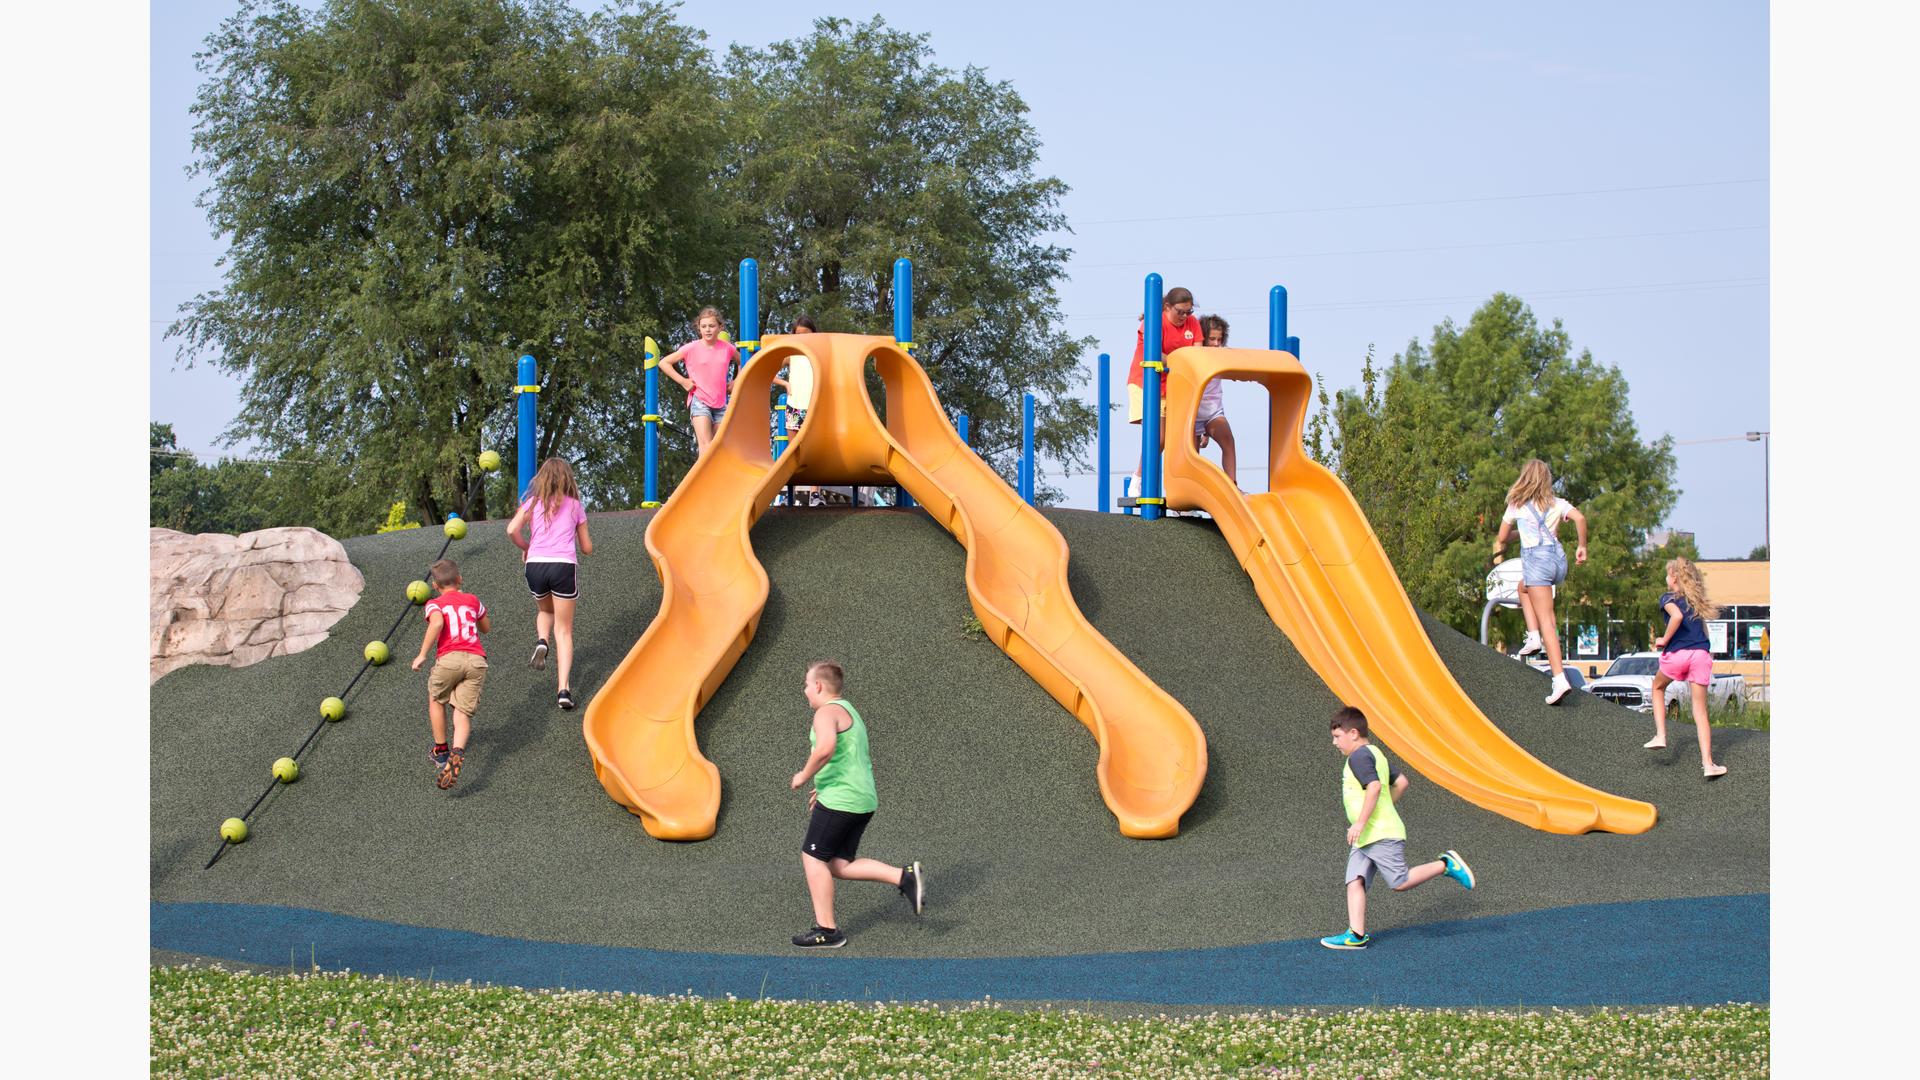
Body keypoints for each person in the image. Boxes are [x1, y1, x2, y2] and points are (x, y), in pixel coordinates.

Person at [788, 660, 925, 948]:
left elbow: (826, 749)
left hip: (843, 798)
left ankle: (827, 930)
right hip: (861, 799)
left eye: (806, 685)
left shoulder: (826, 713)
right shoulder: (850, 711)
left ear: (818, 685)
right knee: (838, 863)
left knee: (812, 858)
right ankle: (904, 877)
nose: (804, 691)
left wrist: (804, 775)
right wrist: (821, 786)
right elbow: (847, 759)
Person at [1320, 706, 1476, 950]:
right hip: (1368, 836)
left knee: (1399, 881)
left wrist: (1361, 821)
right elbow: (1401, 782)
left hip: (1378, 834)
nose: (1334, 742)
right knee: (1355, 879)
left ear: (1353, 733)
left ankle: (1445, 864)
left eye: (1337, 736)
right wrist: (1380, 809)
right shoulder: (1375, 754)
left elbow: (1374, 787)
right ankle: (1356, 934)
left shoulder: (1359, 756)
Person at [1491, 459, 1589, 704]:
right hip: (1557, 561)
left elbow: (1503, 537)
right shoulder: (1558, 503)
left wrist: (1516, 535)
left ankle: (1559, 678)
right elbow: (1580, 519)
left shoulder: (1517, 503)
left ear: (1525, 477)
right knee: (1522, 587)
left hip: (1536, 560)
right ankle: (1533, 636)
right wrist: (1581, 546)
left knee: (1548, 619)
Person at [505, 457, 593, 710]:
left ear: (541, 478)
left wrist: (527, 546)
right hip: (563, 566)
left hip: (535, 564)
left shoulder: (532, 502)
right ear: (568, 479)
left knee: (545, 611)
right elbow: (586, 548)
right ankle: (563, 690)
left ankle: (542, 640)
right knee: (564, 630)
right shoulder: (575, 505)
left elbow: (512, 529)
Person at [1644, 557, 1729, 778]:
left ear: (1673, 578)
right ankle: (1708, 765)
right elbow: (1704, 632)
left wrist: (1664, 638)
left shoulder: (1668, 598)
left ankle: (1661, 735)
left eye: (1667, 575)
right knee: (1700, 712)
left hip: (1678, 654)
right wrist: (1705, 653)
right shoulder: (1696, 603)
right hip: (1700, 655)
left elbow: (1677, 616)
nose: (1665, 578)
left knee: (1658, 688)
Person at [410, 558, 491, 789]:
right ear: (460, 580)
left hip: (449, 659)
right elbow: (486, 628)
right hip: (476, 661)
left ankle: (442, 751)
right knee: (462, 712)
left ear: (435, 586)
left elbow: (436, 624)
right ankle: (458, 751)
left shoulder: (435, 604)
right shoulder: (472, 600)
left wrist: (422, 654)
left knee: (436, 700)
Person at [1125, 286, 1203, 505]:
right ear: (1167, 307)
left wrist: (1178, 361)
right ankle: (1138, 480)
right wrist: (1180, 360)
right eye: (1180, 311)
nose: (1184, 317)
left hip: (1172, 386)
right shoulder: (1153, 322)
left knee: (1181, 439)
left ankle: (1182, 491)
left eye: (1188, 312)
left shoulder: (1192, 324)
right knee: (1158, 435)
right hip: (1146, 383)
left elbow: (1196, 354)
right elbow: (1153, 353)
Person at [661, 307, 739, 456]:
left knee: (719, 444)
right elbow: (664, 362)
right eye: (704, 326)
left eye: (711, 326)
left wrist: (736, 381)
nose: (708, 330)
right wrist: (683, 381)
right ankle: (707, 477)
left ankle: (715, 475)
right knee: (706, 445)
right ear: (699, 328)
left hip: (721, 402)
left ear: (720, 327)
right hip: (700, 400)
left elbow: (744, 361)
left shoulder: (727, 348)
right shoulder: (692, 348)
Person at [772, 316, 824, 507]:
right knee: (794, 452)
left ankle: (815, 494)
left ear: (814, 334)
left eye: (807, 335)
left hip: (814, 406)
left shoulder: (818, 354)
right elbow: (768, 369)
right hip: (795, 406)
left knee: (812, 451)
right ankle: (790, 492)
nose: (803, 339)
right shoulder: (791, 355)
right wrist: (784, 383)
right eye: (798, 335)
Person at [1195, 314, 1238, 488]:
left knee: (1228, 440)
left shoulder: (1221, 355)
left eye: (1219, 339)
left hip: (1213, 411)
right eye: (1212, 339)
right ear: (1203, 338)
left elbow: (1236, 365)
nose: (1216, 343)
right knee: (1193, 455)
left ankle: (1232, 485)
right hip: (1193, 412)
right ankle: (1193, 490)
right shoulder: (1195, 355)